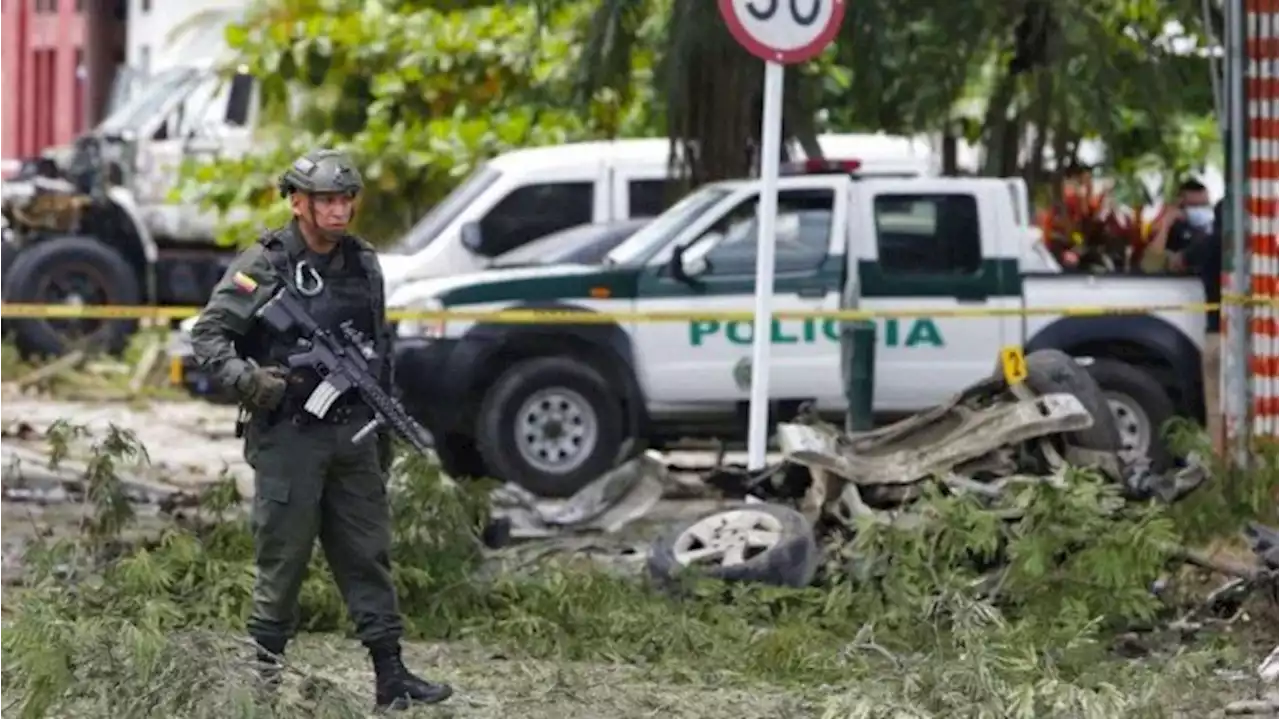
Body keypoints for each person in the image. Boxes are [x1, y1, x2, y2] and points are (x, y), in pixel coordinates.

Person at [189, 149, 453, 709]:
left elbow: (379, 349)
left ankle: (391, 677)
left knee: (368, 556)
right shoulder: (265, 264)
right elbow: (209, 335)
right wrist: (251, 380)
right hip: (290, 438)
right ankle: (262, 687)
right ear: (298, 203)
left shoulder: (363, 264)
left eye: (346, 199)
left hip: (353, 434)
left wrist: (381, 425)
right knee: (282, 562)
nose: (340, 211)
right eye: (328, 200)